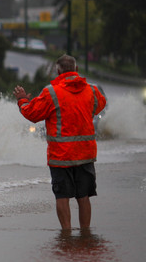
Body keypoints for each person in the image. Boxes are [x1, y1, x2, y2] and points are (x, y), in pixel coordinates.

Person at [13, 54, 106, 230]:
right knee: (83, 196)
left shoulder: (51, 93)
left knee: (62, 196)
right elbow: (100, 105)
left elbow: (31, 114)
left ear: (58, 71)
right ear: (76, 70)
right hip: (85, 154)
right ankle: (85, 233)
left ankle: (67, 233)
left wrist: (22, 100)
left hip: (61, 156)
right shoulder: (92, 90)